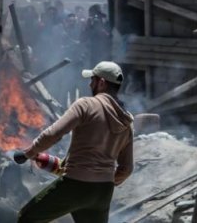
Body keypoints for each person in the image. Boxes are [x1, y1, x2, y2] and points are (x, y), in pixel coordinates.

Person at [15, 61, 134, 223]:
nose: (90, 84)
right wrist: (104, 180)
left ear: (101, 83)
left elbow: (54, 133)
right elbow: (127, 168)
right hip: (103, 192)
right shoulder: (127, 121)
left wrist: (29, 153)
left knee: (27, 218)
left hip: (76, 184)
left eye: (92, 79)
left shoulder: (86, 104)